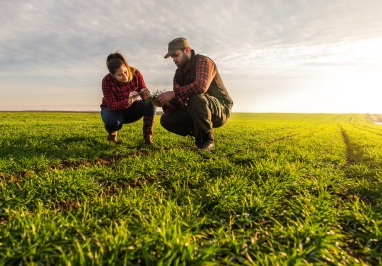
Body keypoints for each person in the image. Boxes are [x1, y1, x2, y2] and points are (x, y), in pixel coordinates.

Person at [154, 37, 233, 151]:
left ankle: (206, 140)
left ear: (186, 50)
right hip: (196, 109)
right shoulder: (178, 74)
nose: (174, 60)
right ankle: (199, 133)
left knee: (195, 98)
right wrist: (167, 102)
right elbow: (179, 102)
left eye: (176, 55)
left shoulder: (203, 61)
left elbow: (200, 86)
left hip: (221, 109)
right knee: (166, 119)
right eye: (172, 57)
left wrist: (174, 93)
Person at [100, 52, 156, 145]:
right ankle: (112, 134)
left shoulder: (136, 73)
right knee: (113, 122)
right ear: (112, 75)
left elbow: (145, 97)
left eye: (125, 72)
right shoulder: (106, 81)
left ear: (126, 66)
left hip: (131, 110)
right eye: (120, 75)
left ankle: (148, 138)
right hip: (112, 110)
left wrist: (146, 94)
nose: (125, 77)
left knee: (150, 103)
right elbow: (112, 105)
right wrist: (128, 101)